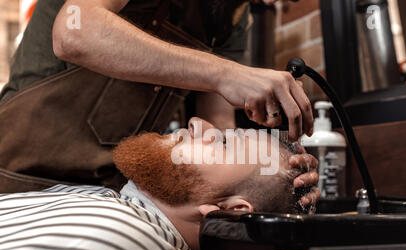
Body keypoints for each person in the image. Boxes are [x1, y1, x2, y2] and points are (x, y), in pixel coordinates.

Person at [0, 0, 315, 194]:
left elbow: (214, 126)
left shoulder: (234, 16)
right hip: (19, 177)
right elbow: (75, 34)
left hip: (108, 190)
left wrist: (282, 180)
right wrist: (224, 72)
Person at [0, 117, 319, 250]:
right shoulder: (114, 209)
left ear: (230, 210)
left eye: (222, 142)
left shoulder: (120, 246)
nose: (197, 123)